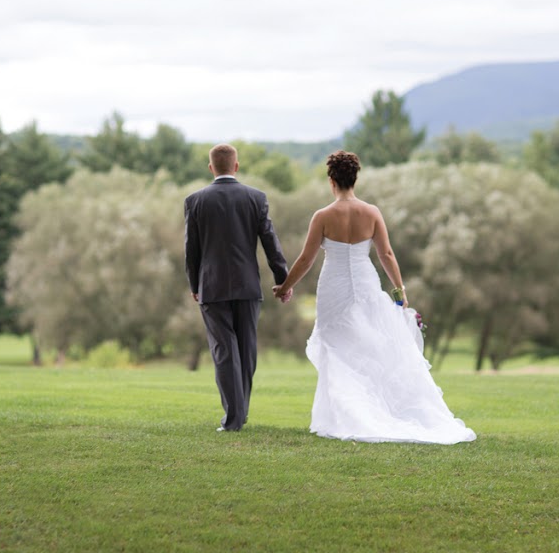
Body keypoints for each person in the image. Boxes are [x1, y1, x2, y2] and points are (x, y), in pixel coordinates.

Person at [272, 150, 476, 444]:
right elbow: (386, 254)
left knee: (338, 347)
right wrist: (399, 291)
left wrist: (285, 286)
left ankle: (347, 416)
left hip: (334, 287)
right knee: (369, 345)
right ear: (355, 178)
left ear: (332, 181)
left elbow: (306, 259)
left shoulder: (323, 216)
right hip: (366, 283)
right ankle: (365, 411)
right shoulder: (372, 212)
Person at [185, 143, 291, 432]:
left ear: (211, 168)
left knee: (224, 351)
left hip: (212, 286)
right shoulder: (256, 198)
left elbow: (191, 250)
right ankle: (238, 414)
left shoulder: (195, 201)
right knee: (246, 350)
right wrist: (282, 279)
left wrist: (195, 284)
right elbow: (271, 242)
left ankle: (234, 418)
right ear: (236, 166)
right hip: (248, 285)